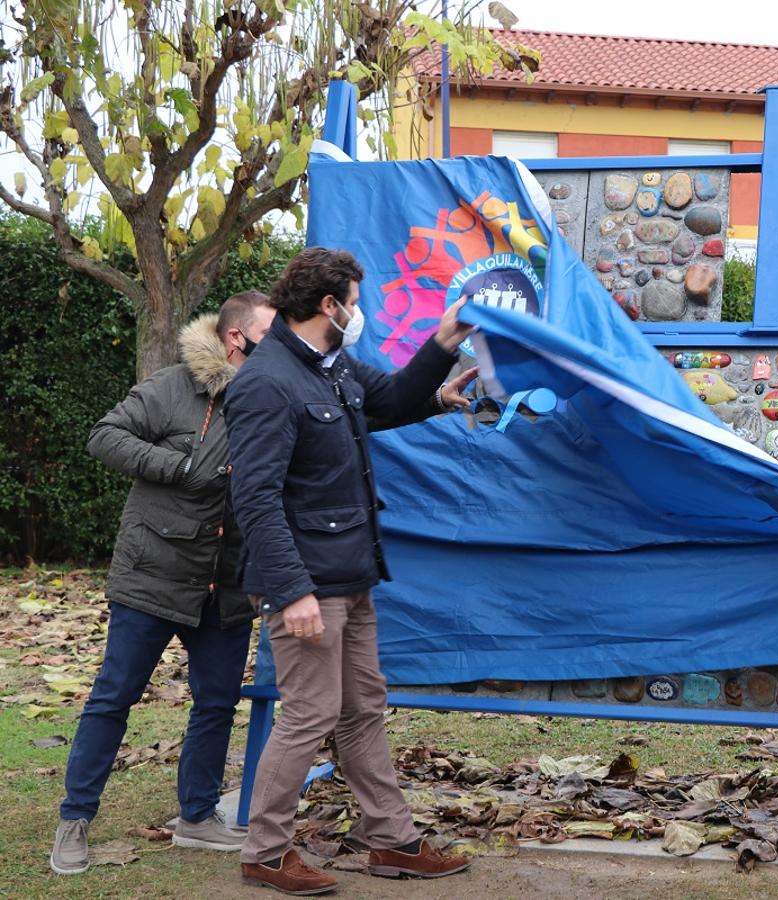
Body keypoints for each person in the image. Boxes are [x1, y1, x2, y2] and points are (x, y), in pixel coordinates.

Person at [224, 247, 478, 895]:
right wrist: (291, 590)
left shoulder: (329, 365)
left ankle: (392, 842)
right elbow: (254, 497)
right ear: (330, 306)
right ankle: (267, 853)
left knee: (362, 707)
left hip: (351, 572)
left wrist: (445, 340)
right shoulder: (266, 380)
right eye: (356, 302)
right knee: (309, 714)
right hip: (306, 584)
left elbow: (388, 399)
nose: (360, 313)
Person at [50, 291, 277, 876]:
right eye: (269, 336)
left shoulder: (272, 397)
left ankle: (197, 817)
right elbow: (104, 435)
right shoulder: (174, 386)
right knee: (114, 697)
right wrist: (179, 467)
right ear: (235, 340)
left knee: (218, 704)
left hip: (226, 583)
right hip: (153, 573)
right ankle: (74, 820)